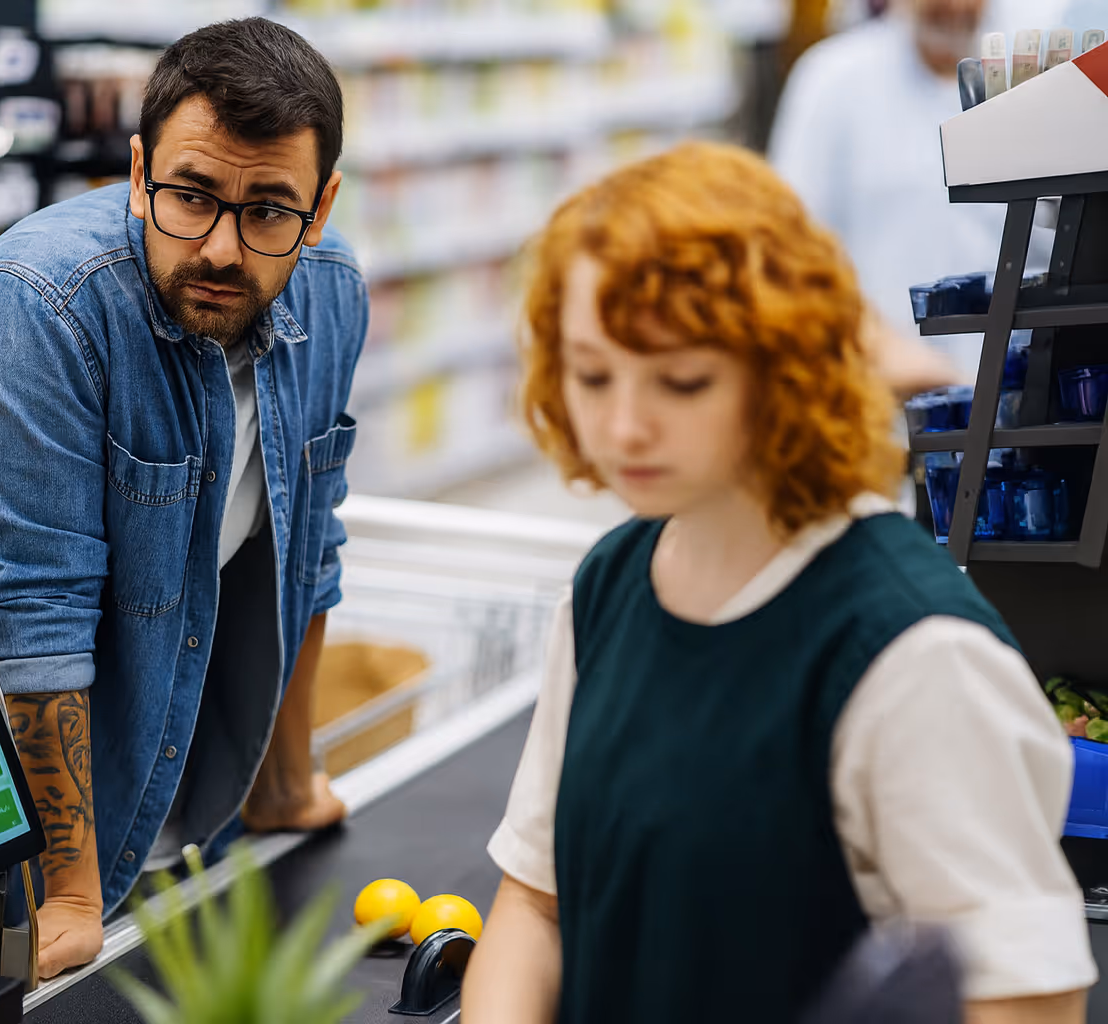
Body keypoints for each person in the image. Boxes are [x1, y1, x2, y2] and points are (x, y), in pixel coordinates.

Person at [460, 142, 1097, 1023]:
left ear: (782, 370)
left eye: (681, 381)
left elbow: (1028, 999)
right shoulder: (609, 588)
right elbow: (535, 903)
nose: (623, 425)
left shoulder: (913, 652)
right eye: (592, 374)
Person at [0, 18, 365, 978]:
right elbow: (27, 621)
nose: (225, 250)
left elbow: (308, 554)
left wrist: (283, 784)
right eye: (190, 195)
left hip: (191, 827)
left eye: (270, 210)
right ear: (140, 167)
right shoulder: (35, 308)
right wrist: (62, 894)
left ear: (319, 208)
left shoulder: (333, 291)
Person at [769, 0, 1055, 384]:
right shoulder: (834, 81)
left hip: (1030, 396)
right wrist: (878, 346)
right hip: (885, 398)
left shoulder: (1039, 76)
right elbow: (788, 252)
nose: (956, 6)